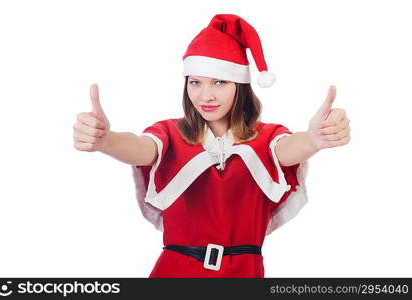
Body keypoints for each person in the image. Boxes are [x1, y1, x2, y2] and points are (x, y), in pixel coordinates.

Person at [73, 14, 351, 277]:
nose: (206, 95)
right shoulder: (169, 133)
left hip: (243, 273)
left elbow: (288, 149)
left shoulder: (268, 137)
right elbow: (140, 148)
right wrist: (107, 141)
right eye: (195, 82)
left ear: (239, 86)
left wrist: (314, 140)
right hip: (175, 273)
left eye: (219, 82)